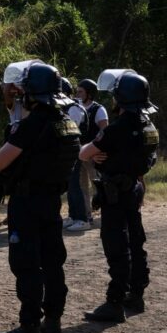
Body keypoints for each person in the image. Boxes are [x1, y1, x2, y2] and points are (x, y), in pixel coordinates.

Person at [0, 62, 81, 333]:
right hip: (52, 201)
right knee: (53, 262)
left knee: (27, 264)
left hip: (27, 203)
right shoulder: (68, 122)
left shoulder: (33, 124)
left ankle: (29, 327)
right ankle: (52, 321)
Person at [79, 71, 158, 322]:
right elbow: (150, 157)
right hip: (134, 189)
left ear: (121, 98)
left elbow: (84, 153)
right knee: (136, 242)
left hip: (115, 194)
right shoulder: (148, 125)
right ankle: (136, 295)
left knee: (116, 246)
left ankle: (115, 303)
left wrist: (97, 154)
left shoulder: (117, 128)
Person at [64, 79, 110, 232]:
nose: (76, 94)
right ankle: (86, 215)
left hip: (93, 153)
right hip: (80, 153)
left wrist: (96, 150)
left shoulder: (99, 109)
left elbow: (105, 131)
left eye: (80, 91)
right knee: (81, 185)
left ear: (89, 94)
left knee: (99, 184)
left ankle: (109, 212)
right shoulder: (75, 108)